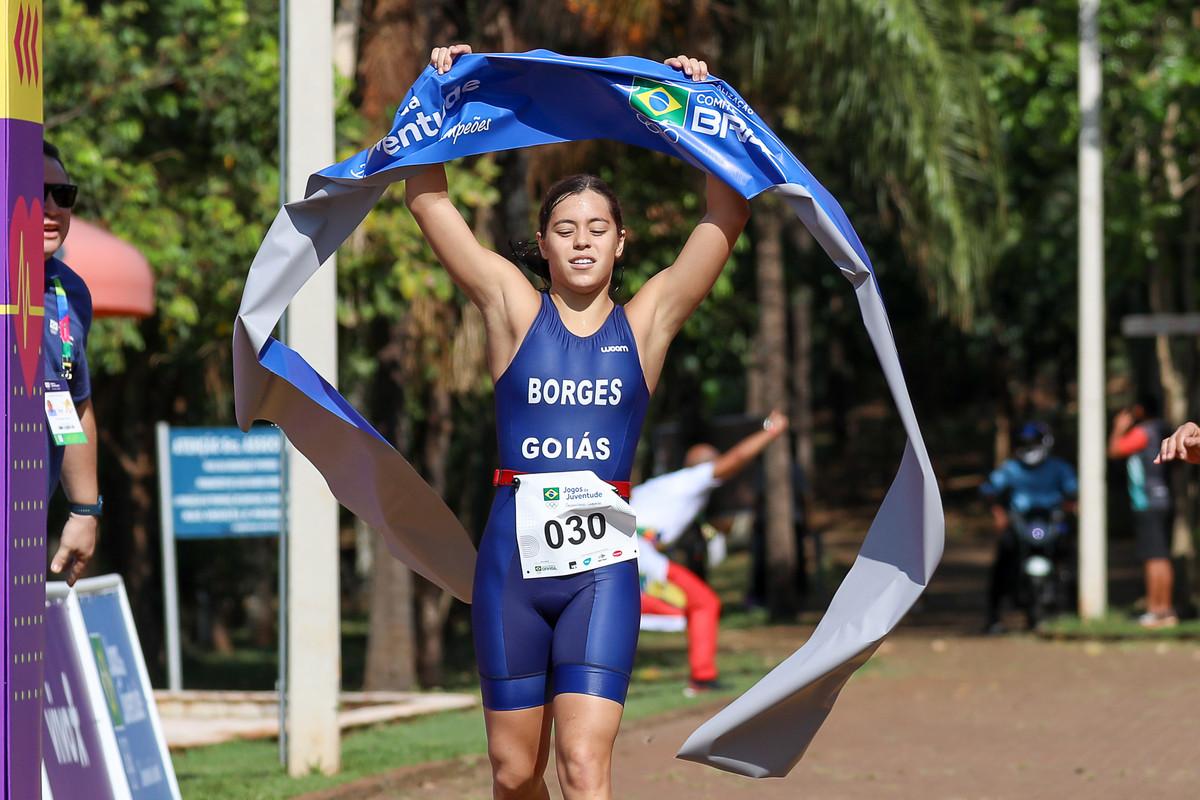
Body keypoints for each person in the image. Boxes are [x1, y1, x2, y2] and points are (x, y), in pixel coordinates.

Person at [408, 44, 749, 800]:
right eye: (566, 228)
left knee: (584, 767)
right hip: (510, 570)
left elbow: (727, 211)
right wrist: (438, 89)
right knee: (513, 773)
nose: (584, 239)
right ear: (545, 244)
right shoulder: (510, 306)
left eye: (599, 227)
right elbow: (428, 200)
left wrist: (701, 107)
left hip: (602, 571)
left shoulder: (648, 322)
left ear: (621, 242)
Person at [634, 410, 788, 696]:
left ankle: (701, 672)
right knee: (703, 602)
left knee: (699, 603)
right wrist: (771, 432)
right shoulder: (696, 478)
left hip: (631, 545)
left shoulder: (669, 484)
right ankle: (702, 676)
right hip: (638, 549)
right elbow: (737, 458)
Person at [43, 141, 101, 587]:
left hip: (22, 527)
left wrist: (84, 510)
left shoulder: (71, 293)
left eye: (62, 195)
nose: (50, 207)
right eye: (34, 191)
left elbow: (67, 403)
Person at [979, 421, 1077, 633]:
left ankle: (1071, 607)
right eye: (1025, 444)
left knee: (1068, 559)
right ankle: (994, 616)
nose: (1029, 448)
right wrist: (998, 513)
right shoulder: (1010, 469)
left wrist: (1071, 507)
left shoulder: (1059, 468)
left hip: (1052, 521)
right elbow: (990, 489)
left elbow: (1073, 491)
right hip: (1020, 522)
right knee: (1003, 563)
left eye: (1033, 443)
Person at [1109, 398, 1176, 628]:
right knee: (1160, 556)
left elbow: (1116, 449)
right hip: (1161, 498)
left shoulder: (1144, 431)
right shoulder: (1161, 429)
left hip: (1147, 501)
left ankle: (1158, 610)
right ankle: (1163, 610)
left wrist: (1119, 427)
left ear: (1139, 410)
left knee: (1154, 558)